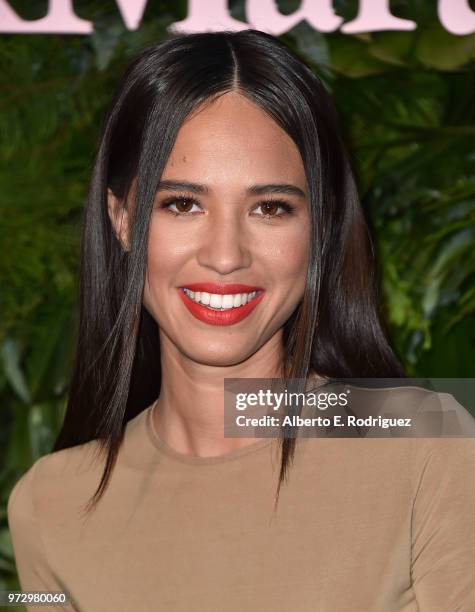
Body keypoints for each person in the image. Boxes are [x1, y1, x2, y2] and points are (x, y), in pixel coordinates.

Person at [7, 29, 475, 611]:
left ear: (319, 229)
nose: (225, 254)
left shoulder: (428, 444)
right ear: (123, 220)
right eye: (182, 204)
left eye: (270, 208)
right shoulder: (47, 504)